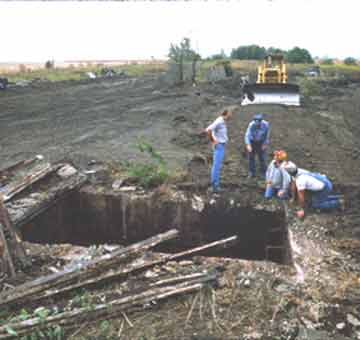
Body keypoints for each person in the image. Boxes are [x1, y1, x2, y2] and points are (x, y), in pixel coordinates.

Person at [205, 108, 233, 193]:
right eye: (230, 114)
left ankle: (215, 185)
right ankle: (215, 187)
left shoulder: (222, 121)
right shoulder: (219, 121)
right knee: (216, 166)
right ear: (226, 114)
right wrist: (213, 141)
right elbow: (208, 130)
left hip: (221, 145)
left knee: (217, 166)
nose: (231, 115)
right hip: (219, 146)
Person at [244, 113, 270, 178]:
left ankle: (263, 172)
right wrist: (248, 145)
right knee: (251, 157)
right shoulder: (251, 125)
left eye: (258, 122)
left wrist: (265, 144)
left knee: (262, 158)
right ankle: (251, 172)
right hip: (252, 141)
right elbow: (247, 135)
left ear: (261, 121)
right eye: (255, 122)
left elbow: (266, 135)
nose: (257, 124)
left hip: (261, 141)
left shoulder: (266, 125)